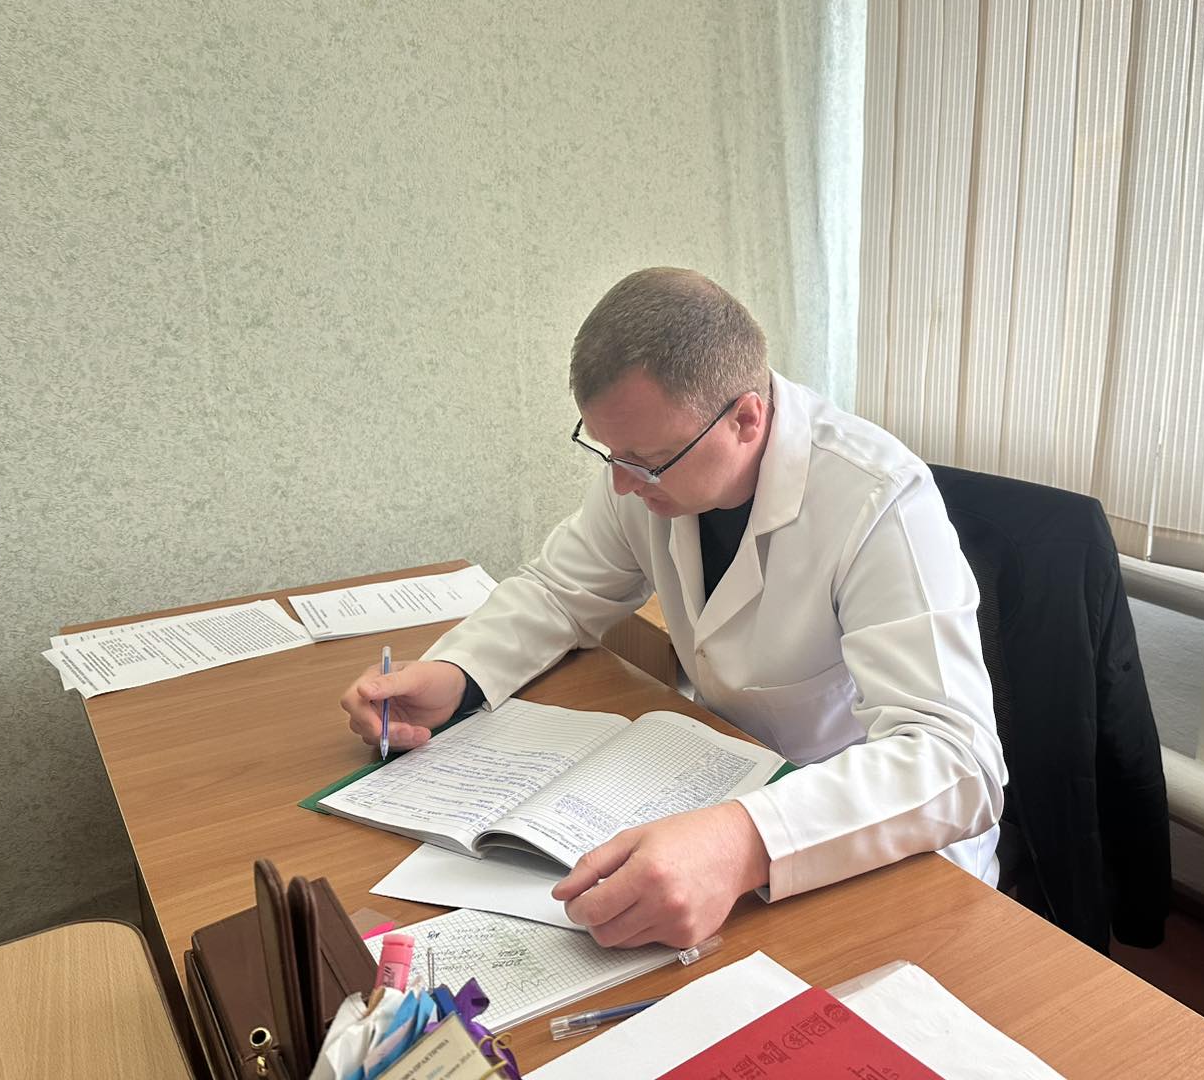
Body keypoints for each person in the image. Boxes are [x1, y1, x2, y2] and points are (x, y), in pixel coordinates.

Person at [340, 267, 1006, 949]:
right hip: (717, 796)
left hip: (876, 851)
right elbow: (558, 591)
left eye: (647, 461)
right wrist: (456, 675)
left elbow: (957, 762)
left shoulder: (879, 499)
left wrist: (746, 840)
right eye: (610, 454)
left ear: (746, 418)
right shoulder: (647, 470)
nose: (621, 486)